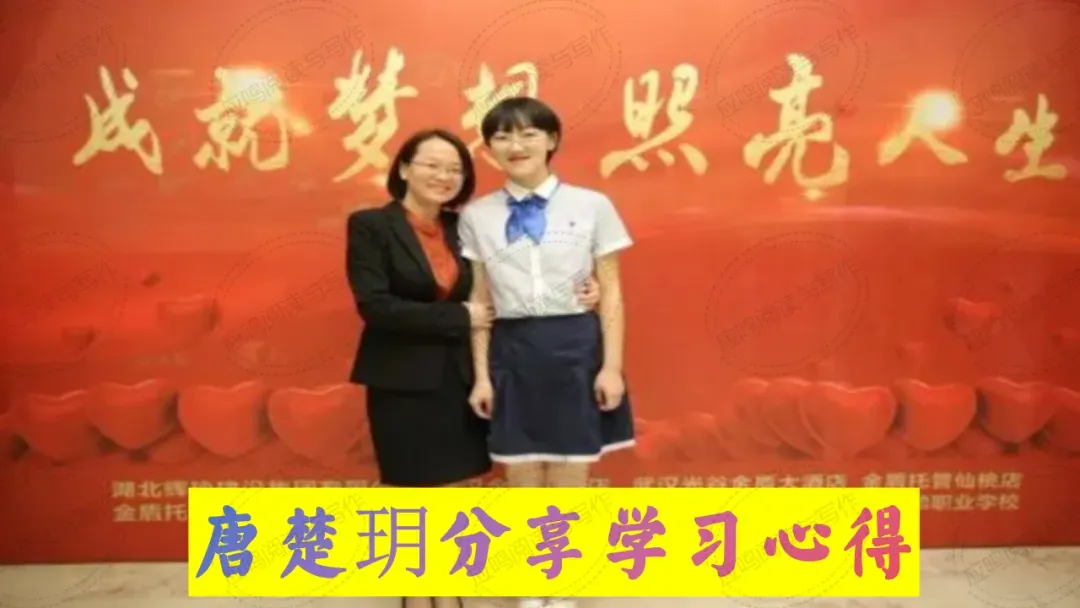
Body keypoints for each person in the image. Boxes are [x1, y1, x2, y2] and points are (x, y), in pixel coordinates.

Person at [345, 128, 601, 608]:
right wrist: (459, 317)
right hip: (402, 379)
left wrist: (586, 287)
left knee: (455, 489)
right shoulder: (371, 225)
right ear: (404, 168)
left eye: (455, 169)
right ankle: (418, 596)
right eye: (432, 165)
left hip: (461, 376)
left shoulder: (462, 226)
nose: (444, 176)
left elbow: (515, 273)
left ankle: (448, 593)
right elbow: (375, 305)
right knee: (414, 491)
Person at [460, 97, 635, 489]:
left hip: (576, 348)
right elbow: (480, 300)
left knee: (570, 472)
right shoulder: (476, 215)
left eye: (529, 134)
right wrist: (483, 378)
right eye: (502, 137)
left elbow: (611, 291)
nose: (516, 146)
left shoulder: (592, 205)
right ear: (489, 149)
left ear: (552, 140)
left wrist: (611, 367)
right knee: (520, 471)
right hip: (512, 350)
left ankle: (563, 534)